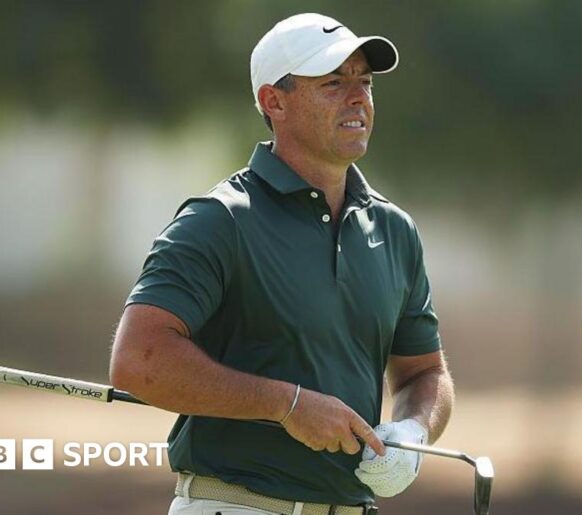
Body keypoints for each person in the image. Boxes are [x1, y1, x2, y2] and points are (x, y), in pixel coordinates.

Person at [110, 12, 455, 515]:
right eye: (334, 83)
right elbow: (138, 359)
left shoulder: (394, 230)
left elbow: (425, 372)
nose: (357, 97)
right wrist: (285, 404)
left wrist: (413, 429)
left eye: (364, 83)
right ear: (274, 101)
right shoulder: (221, 219)